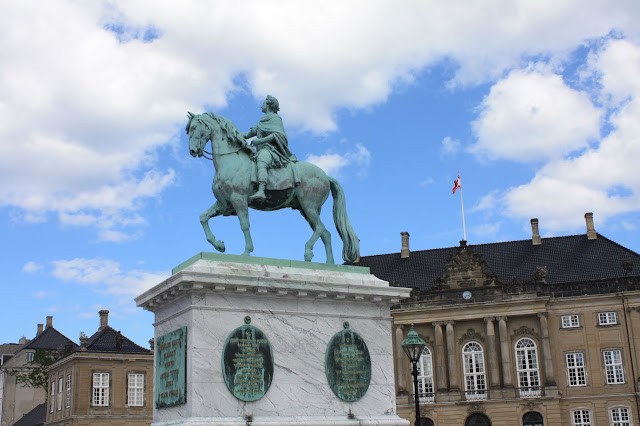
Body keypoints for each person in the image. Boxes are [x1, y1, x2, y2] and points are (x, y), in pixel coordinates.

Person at [242, 95, 297, 201]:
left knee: (262, 160)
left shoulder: (275, 119)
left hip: (272, 150)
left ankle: (261, 191)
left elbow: (278, 135)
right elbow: (248, 134)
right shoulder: (262, 121)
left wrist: (260, 141)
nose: (260, 106)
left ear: (268, 105)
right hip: (261, 149)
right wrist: (234, 133)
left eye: (263, 104)